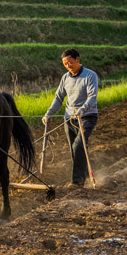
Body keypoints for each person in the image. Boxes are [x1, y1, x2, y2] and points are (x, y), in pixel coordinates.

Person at [42, 48, 98, 188]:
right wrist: (49, 113)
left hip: (87, 116)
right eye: (65, 64)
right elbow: (59, 97)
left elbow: (92, 97)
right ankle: (85, 176)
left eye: (70, 62)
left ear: (77, 59)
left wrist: (82, 109)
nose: (68, 66)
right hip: (69, 118)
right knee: (75, 149)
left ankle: (77, 181)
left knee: (78, 145)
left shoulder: (90, 75)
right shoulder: (65, 78)